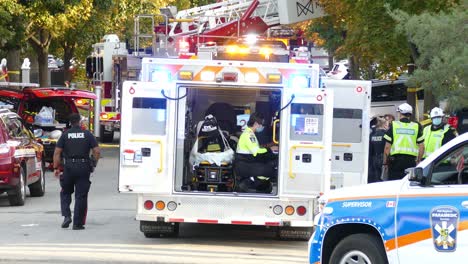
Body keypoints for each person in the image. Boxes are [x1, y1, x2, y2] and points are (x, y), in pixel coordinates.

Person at [53, 113, 100, 230]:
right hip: (83, 166)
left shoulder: (65, 135)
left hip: (69, 167)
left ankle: (67, 216)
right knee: (81, 196)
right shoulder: (87, 134)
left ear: (70, 122)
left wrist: (56, 168)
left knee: (65, 192)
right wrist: (93, 163)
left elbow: (57, 152)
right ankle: (77, 223)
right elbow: (97, 151)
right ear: (79, 122)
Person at [235, 112, 278, 193]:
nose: (262, 126)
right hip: (245, 165)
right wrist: (270, 149)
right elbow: (257, 152)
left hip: (245, 163)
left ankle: (257, 182)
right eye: (261, 124)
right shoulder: (249, 135)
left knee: (270, 160)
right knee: (270, 168)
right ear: (255, 123)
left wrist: (268, 148)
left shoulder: (249, 133)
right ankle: (254, 182)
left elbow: (256, 148)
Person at [383, 103, 424, 181]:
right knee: (408, 184)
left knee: (394, 183)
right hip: (411, 161)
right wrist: (418, 160)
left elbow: (387, 147)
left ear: (400, 113)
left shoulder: (394, 125)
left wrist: (385, 162)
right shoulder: (416, 126)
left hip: (395, 161)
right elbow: (421, 146)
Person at [368, 116, 388, 183]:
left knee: (376, 177)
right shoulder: (385, 134)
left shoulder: (372, 135)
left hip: (374, 158)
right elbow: (387, 147)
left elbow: (370, 149)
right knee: (384, 178)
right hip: (383, 158)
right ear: (384, 124)